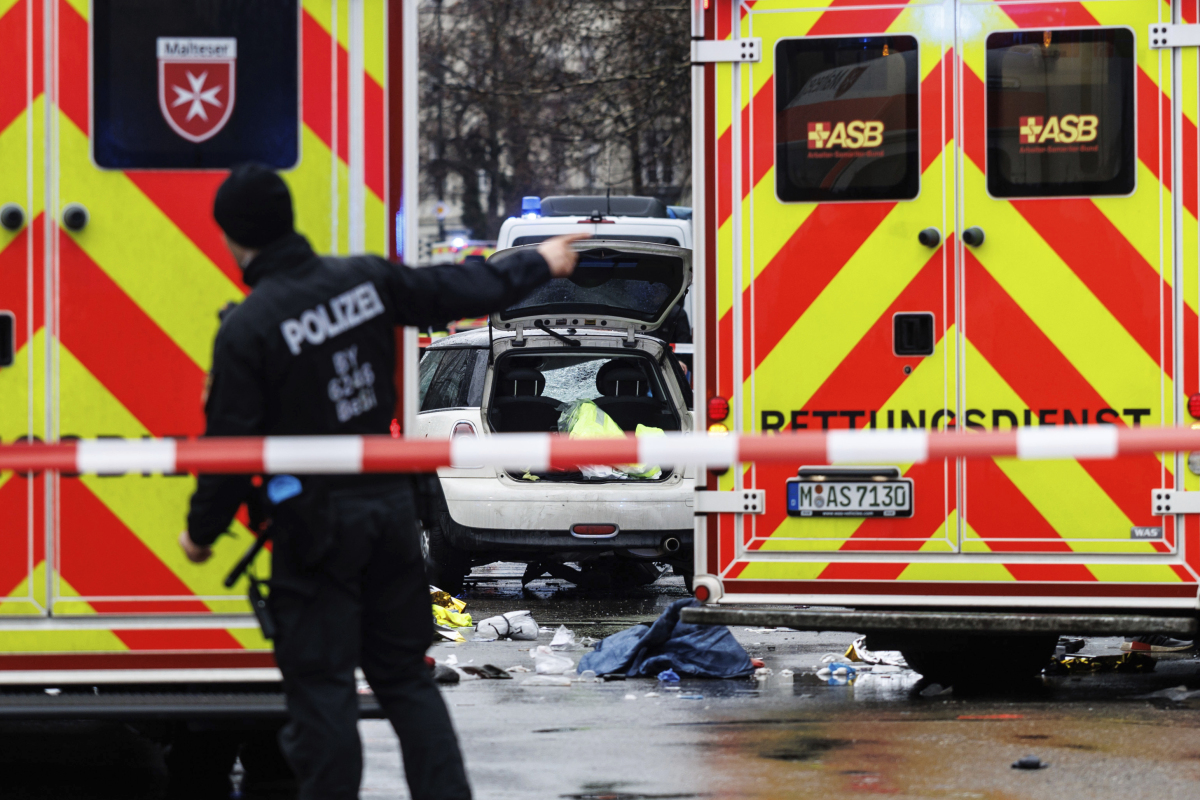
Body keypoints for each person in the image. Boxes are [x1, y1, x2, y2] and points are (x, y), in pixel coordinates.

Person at [179, 162, 584, 800]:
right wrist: (539, 262)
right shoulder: (363, 280)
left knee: (323, 691)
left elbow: (229, 448)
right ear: (289, 220)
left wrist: (200, 534)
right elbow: (458, 286)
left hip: (315, 532)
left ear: (233, 238)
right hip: (391, 512)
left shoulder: (249, 328)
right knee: (405, 681)